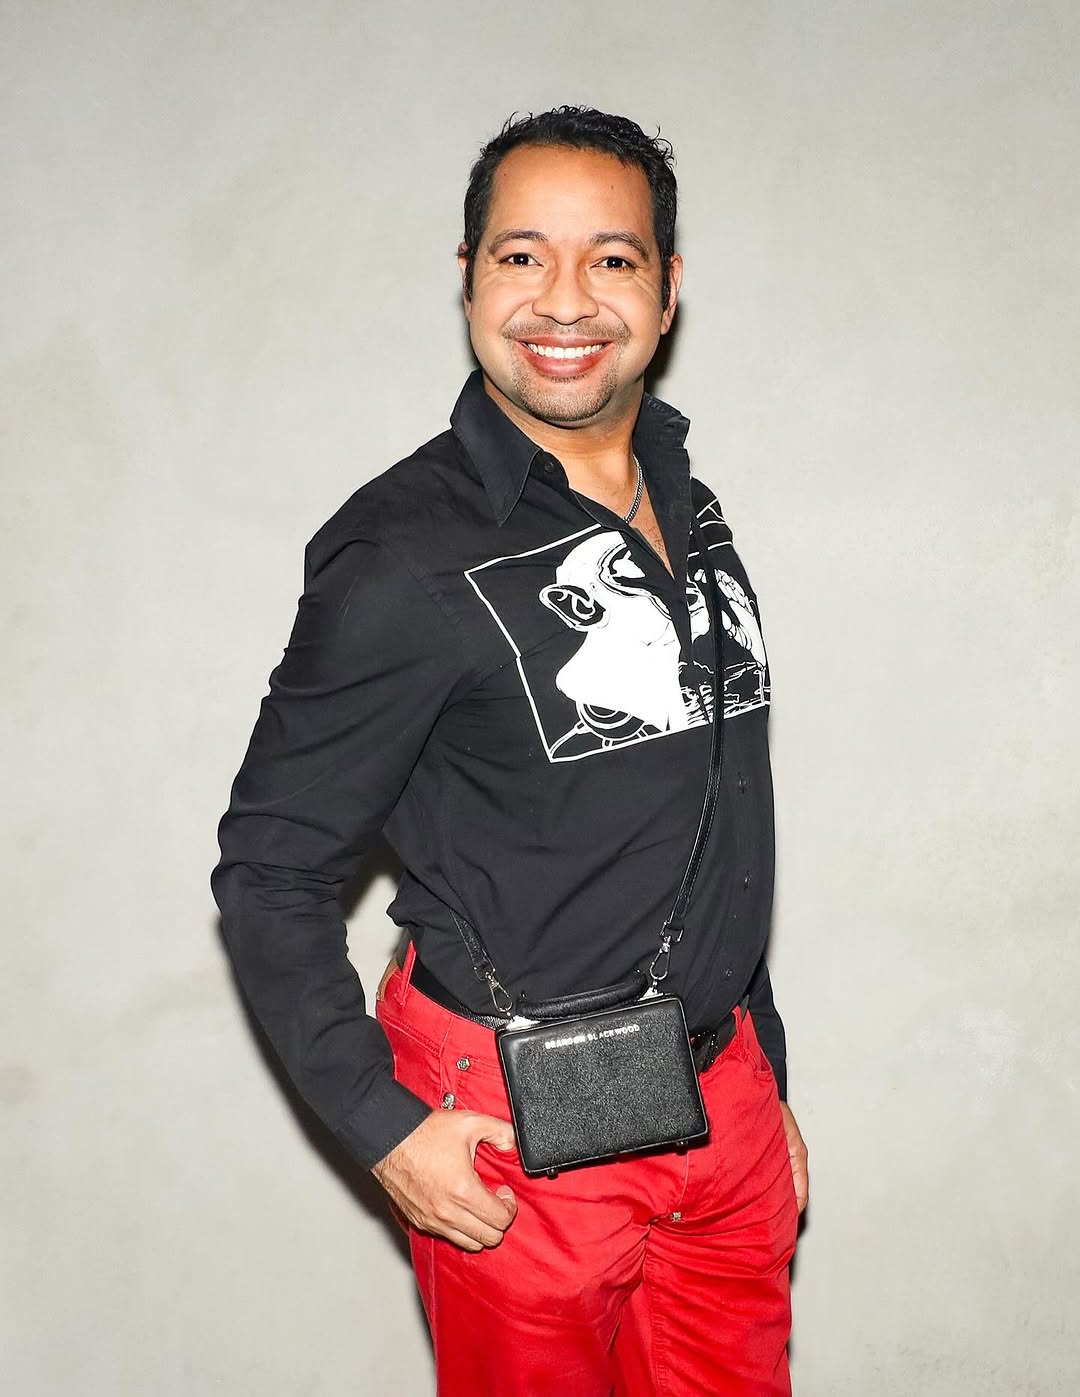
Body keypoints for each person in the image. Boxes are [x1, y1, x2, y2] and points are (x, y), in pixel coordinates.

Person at [213, 105, 809, 1396]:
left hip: (721, 1105)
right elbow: (268, 868)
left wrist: (762, 1075)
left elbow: (715, 813)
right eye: (522, 255)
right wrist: (384, 1128)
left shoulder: (689, 501)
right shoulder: (400, 554)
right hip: (509, 1127)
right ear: (471, 278)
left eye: (613, 258)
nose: (566, 298)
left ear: (667, 290)